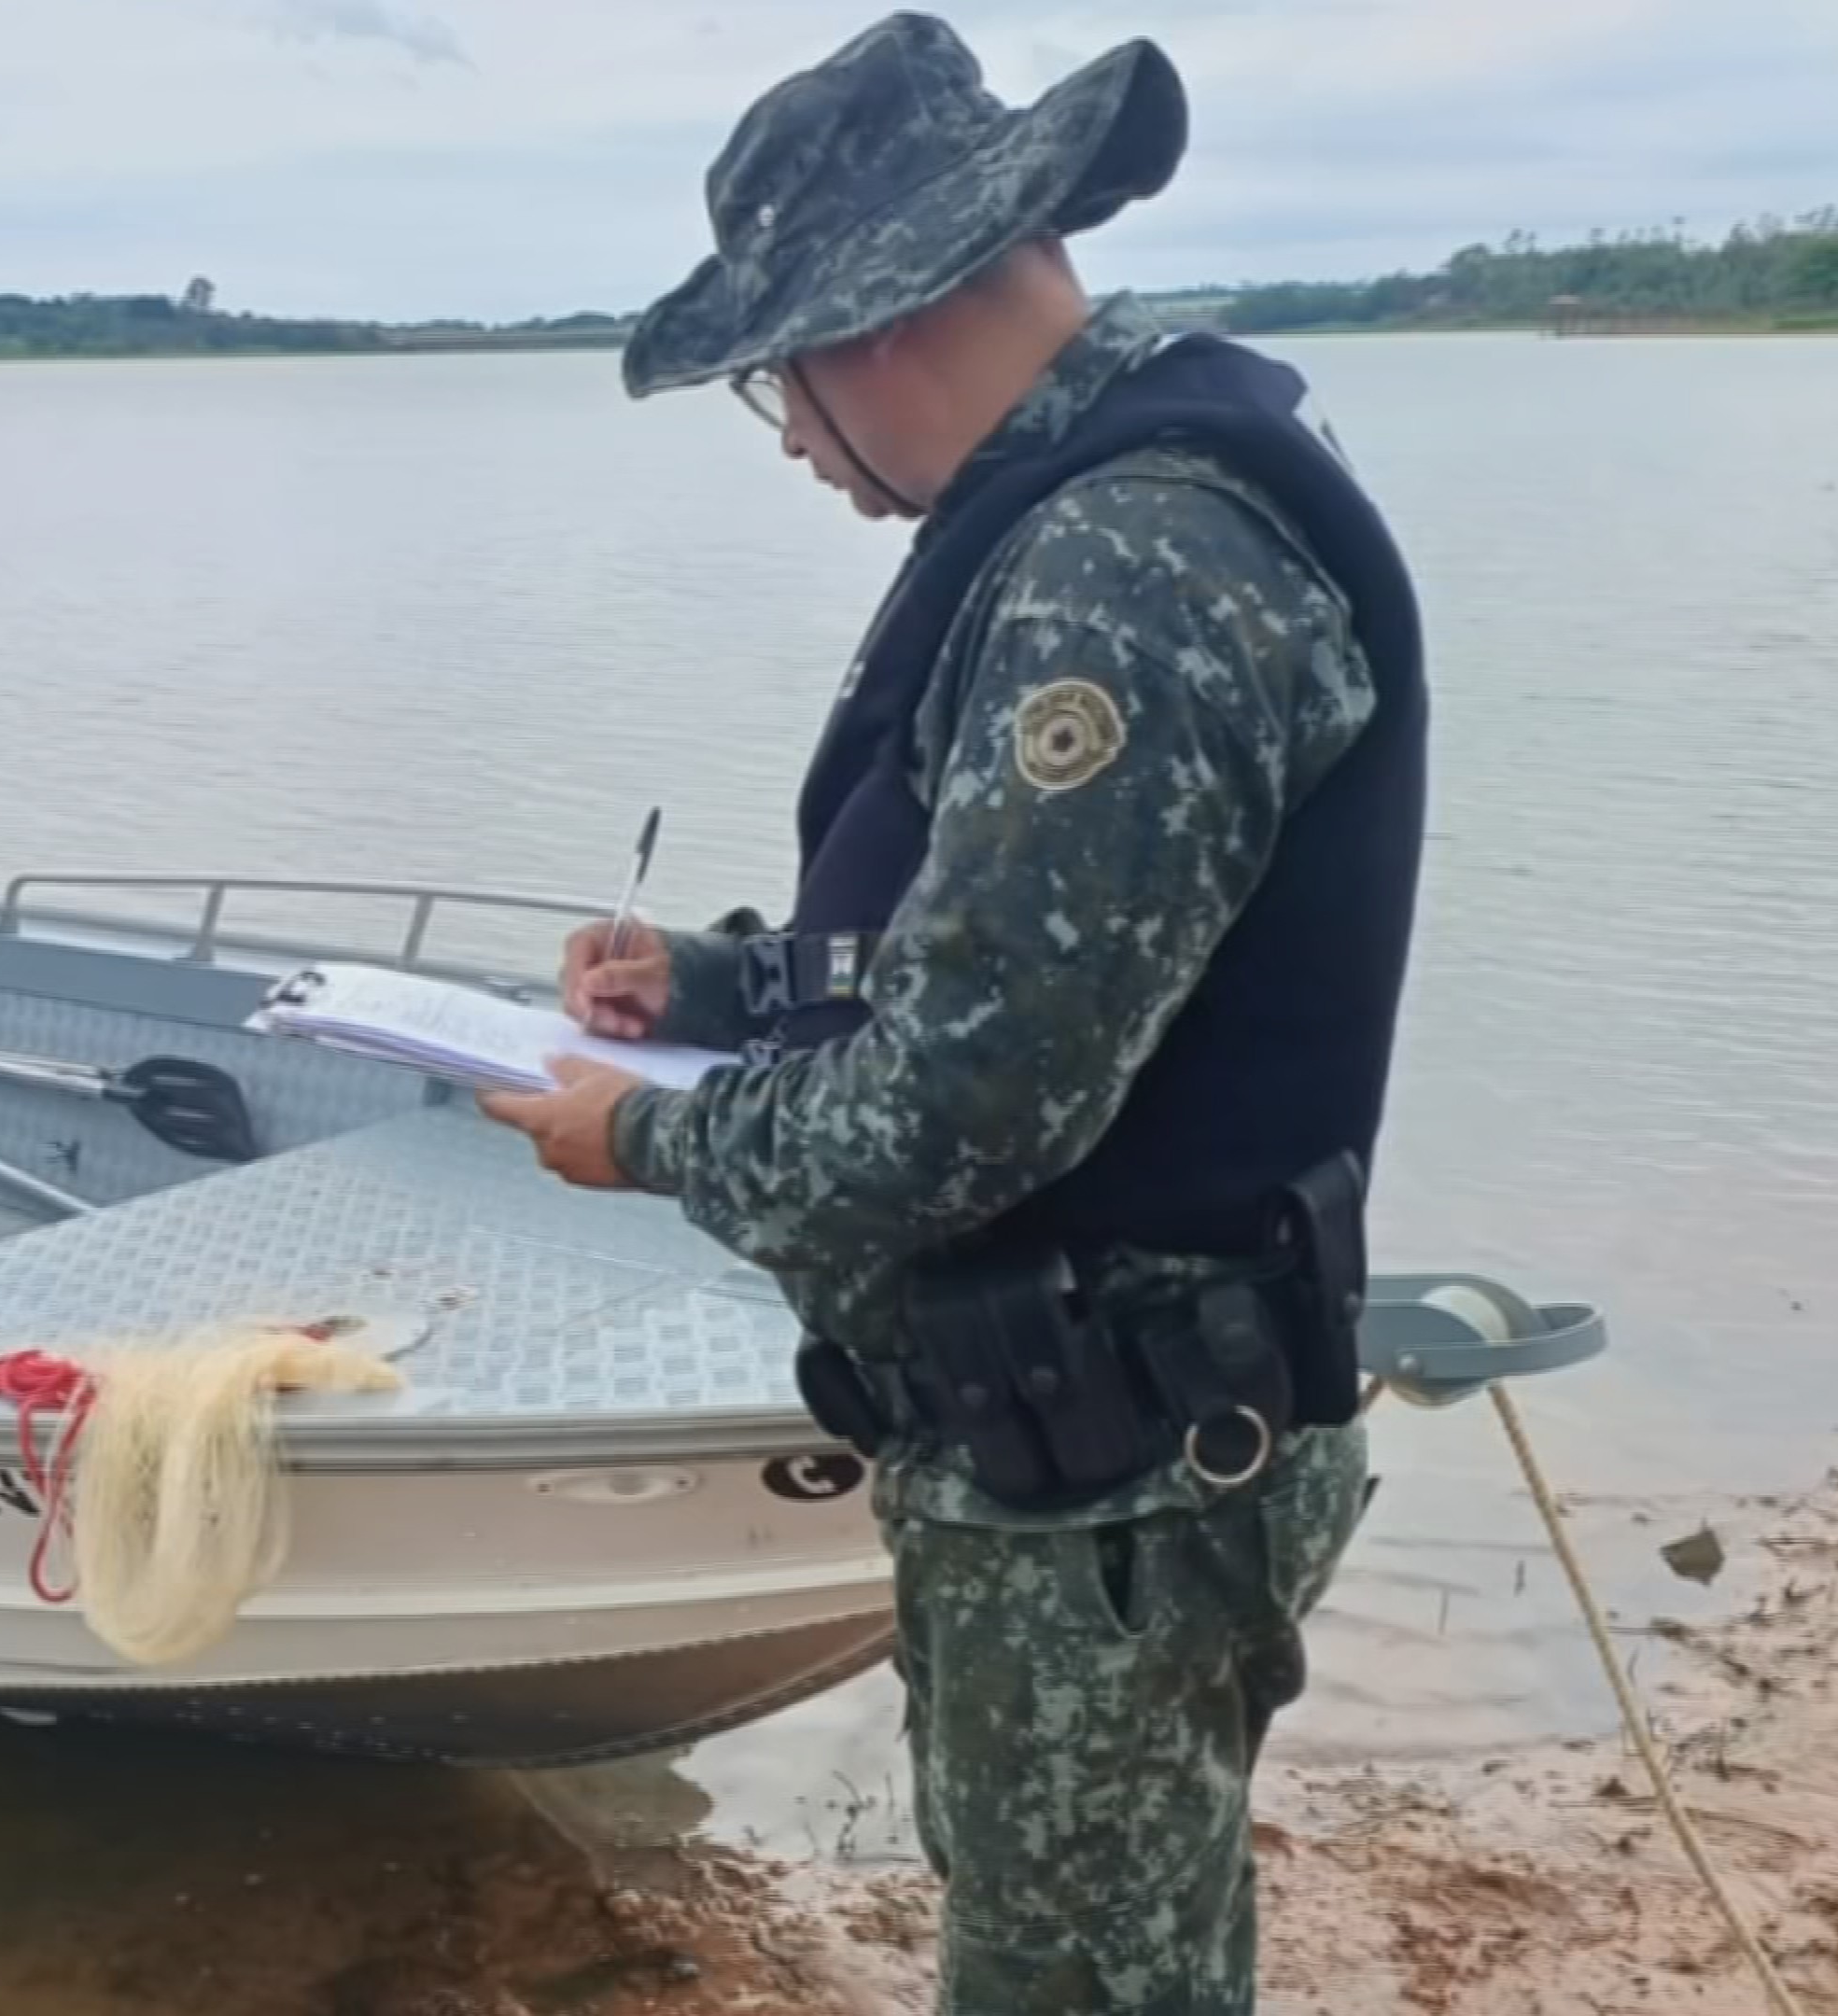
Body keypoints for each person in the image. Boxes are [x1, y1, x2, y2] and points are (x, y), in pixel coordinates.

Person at [472, 13, 1430, 2013]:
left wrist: (634, 1131)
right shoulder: (1126, 492)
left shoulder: (1127, 560)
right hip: (1127, 1456)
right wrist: (724, 983)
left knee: (1072, 1981)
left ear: (874, 323)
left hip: (1115, 1487)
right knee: (1140, 1956)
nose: (803, 449)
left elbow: (958, 1114)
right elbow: (1058, 947)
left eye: (779, 392)